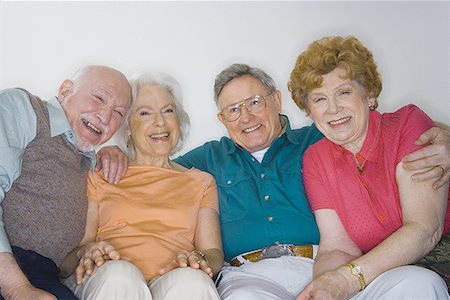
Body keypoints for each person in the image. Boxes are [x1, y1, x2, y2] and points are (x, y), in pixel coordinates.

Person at [98, 63, 450, 299]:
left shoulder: (319, 139)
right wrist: (112, 151)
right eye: (232, 110)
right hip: (251, 277)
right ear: (222, 119)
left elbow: (380, 129)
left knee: (421, 284)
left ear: (276, 100)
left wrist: (445, 137)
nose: (246, 117)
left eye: (254, 102)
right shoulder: (206, 161)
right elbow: (157, 162)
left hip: (332, 264)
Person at [288, 35, 450, 299]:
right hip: (379, 272)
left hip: (438, 257)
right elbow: (337, 248)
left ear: (370, 95)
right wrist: (325, 288)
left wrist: (346, 279)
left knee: (419, 283)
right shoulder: (316, 158)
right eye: (319, 99)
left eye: (343, 92)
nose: (333, 109)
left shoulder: (407, 125)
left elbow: (425, 229)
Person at [61, 72, 223, 300]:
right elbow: (72, 255)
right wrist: (87, 251)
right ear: (127, 127)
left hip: (171, 277)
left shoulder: (202, 182)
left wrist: (197, 258)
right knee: (121, 278)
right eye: (145, 113)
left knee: (194, 284)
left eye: (168, 110)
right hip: (107, 273)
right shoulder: (101, 173)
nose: (160, 122)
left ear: (179, 119)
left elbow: (213, 253)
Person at [0, 65, 132, 300]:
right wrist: (17, 290)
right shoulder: (24, 108)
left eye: (118, 113)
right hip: (10, 266)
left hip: (46, 275)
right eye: (99, 98)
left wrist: (85, 252)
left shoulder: (91, 162)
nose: (105, 116)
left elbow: (64, 263)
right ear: (65, 90)